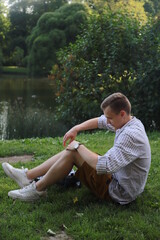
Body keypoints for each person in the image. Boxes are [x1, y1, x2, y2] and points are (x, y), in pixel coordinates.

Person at [2, 92, 151, 204]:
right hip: (118, 178)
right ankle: (27, 177)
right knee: (73, 150)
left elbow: (106, 166)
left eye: (110, 118)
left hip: (120, 191)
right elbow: (100, 121)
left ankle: (37, 189)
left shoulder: (131, 135)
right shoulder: (129, 121)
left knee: (74, 152)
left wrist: (78, 146)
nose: (107, 121)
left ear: (122, 114)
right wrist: (76, 128)